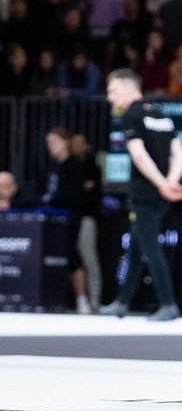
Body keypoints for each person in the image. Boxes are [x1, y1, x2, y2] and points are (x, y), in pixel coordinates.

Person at [99, 69, 182, 321]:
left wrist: (161, 183)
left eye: (112, 91)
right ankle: (122, 302)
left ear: (128, 89)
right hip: (160, 194)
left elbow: (138, 154)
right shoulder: (159, 114)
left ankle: (168, 304)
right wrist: (171, 181)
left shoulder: (131, 114)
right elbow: (179, 153)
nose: (110, 98)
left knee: (150, 248)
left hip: (146, 193)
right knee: (136, 248)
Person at [39, 127, 91, 314]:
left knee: (73, 256)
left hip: (70, 218)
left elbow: (72, 195)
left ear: (65, 142)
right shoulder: (52, 166)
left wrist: (50, 200)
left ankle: (82, 300)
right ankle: (50, 298)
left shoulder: (75, 165)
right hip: (50, 218)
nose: (50, 146)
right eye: (48, 143)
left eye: (53, 142)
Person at [70, 133, 104, 311]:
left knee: (89, 259)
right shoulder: (66, 166)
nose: (77, 146)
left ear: (86, 145)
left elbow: (91, 193)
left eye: (80, 143)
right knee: (73, 260)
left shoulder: (92, 167)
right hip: (68, 218)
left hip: (86, 218)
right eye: (73, 143)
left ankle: (95, 301)